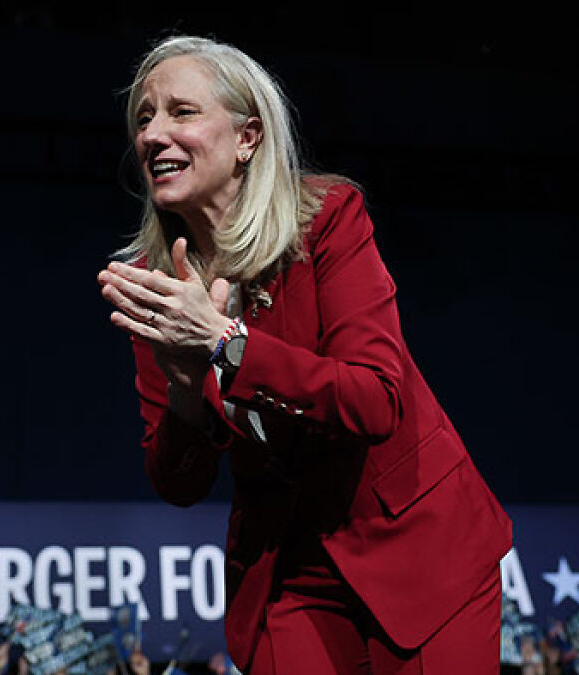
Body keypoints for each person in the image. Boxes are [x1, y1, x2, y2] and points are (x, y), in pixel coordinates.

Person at [97, 35, 512, 674]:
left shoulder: (327, 220)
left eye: (181, 112)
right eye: (143, 118)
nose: (153, 134)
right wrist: (185, 392)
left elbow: (375, 401)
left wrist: (226, 346)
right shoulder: (160, 286)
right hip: (287, 566)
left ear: (248, 138)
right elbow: (179, 484)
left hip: (418, 547)